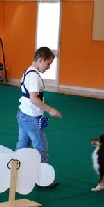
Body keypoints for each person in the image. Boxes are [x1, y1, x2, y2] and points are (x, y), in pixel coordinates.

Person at [16, 47, 62, 188]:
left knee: (23, 145)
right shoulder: (34, 76)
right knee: (41, 147)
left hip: (23, 114)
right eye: (48, 64)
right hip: (31, 117)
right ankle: (42, 179)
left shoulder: (28, 72)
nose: (48, 67)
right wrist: (50, 109)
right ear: (40, 60)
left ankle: (15, 173)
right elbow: (34, 99)